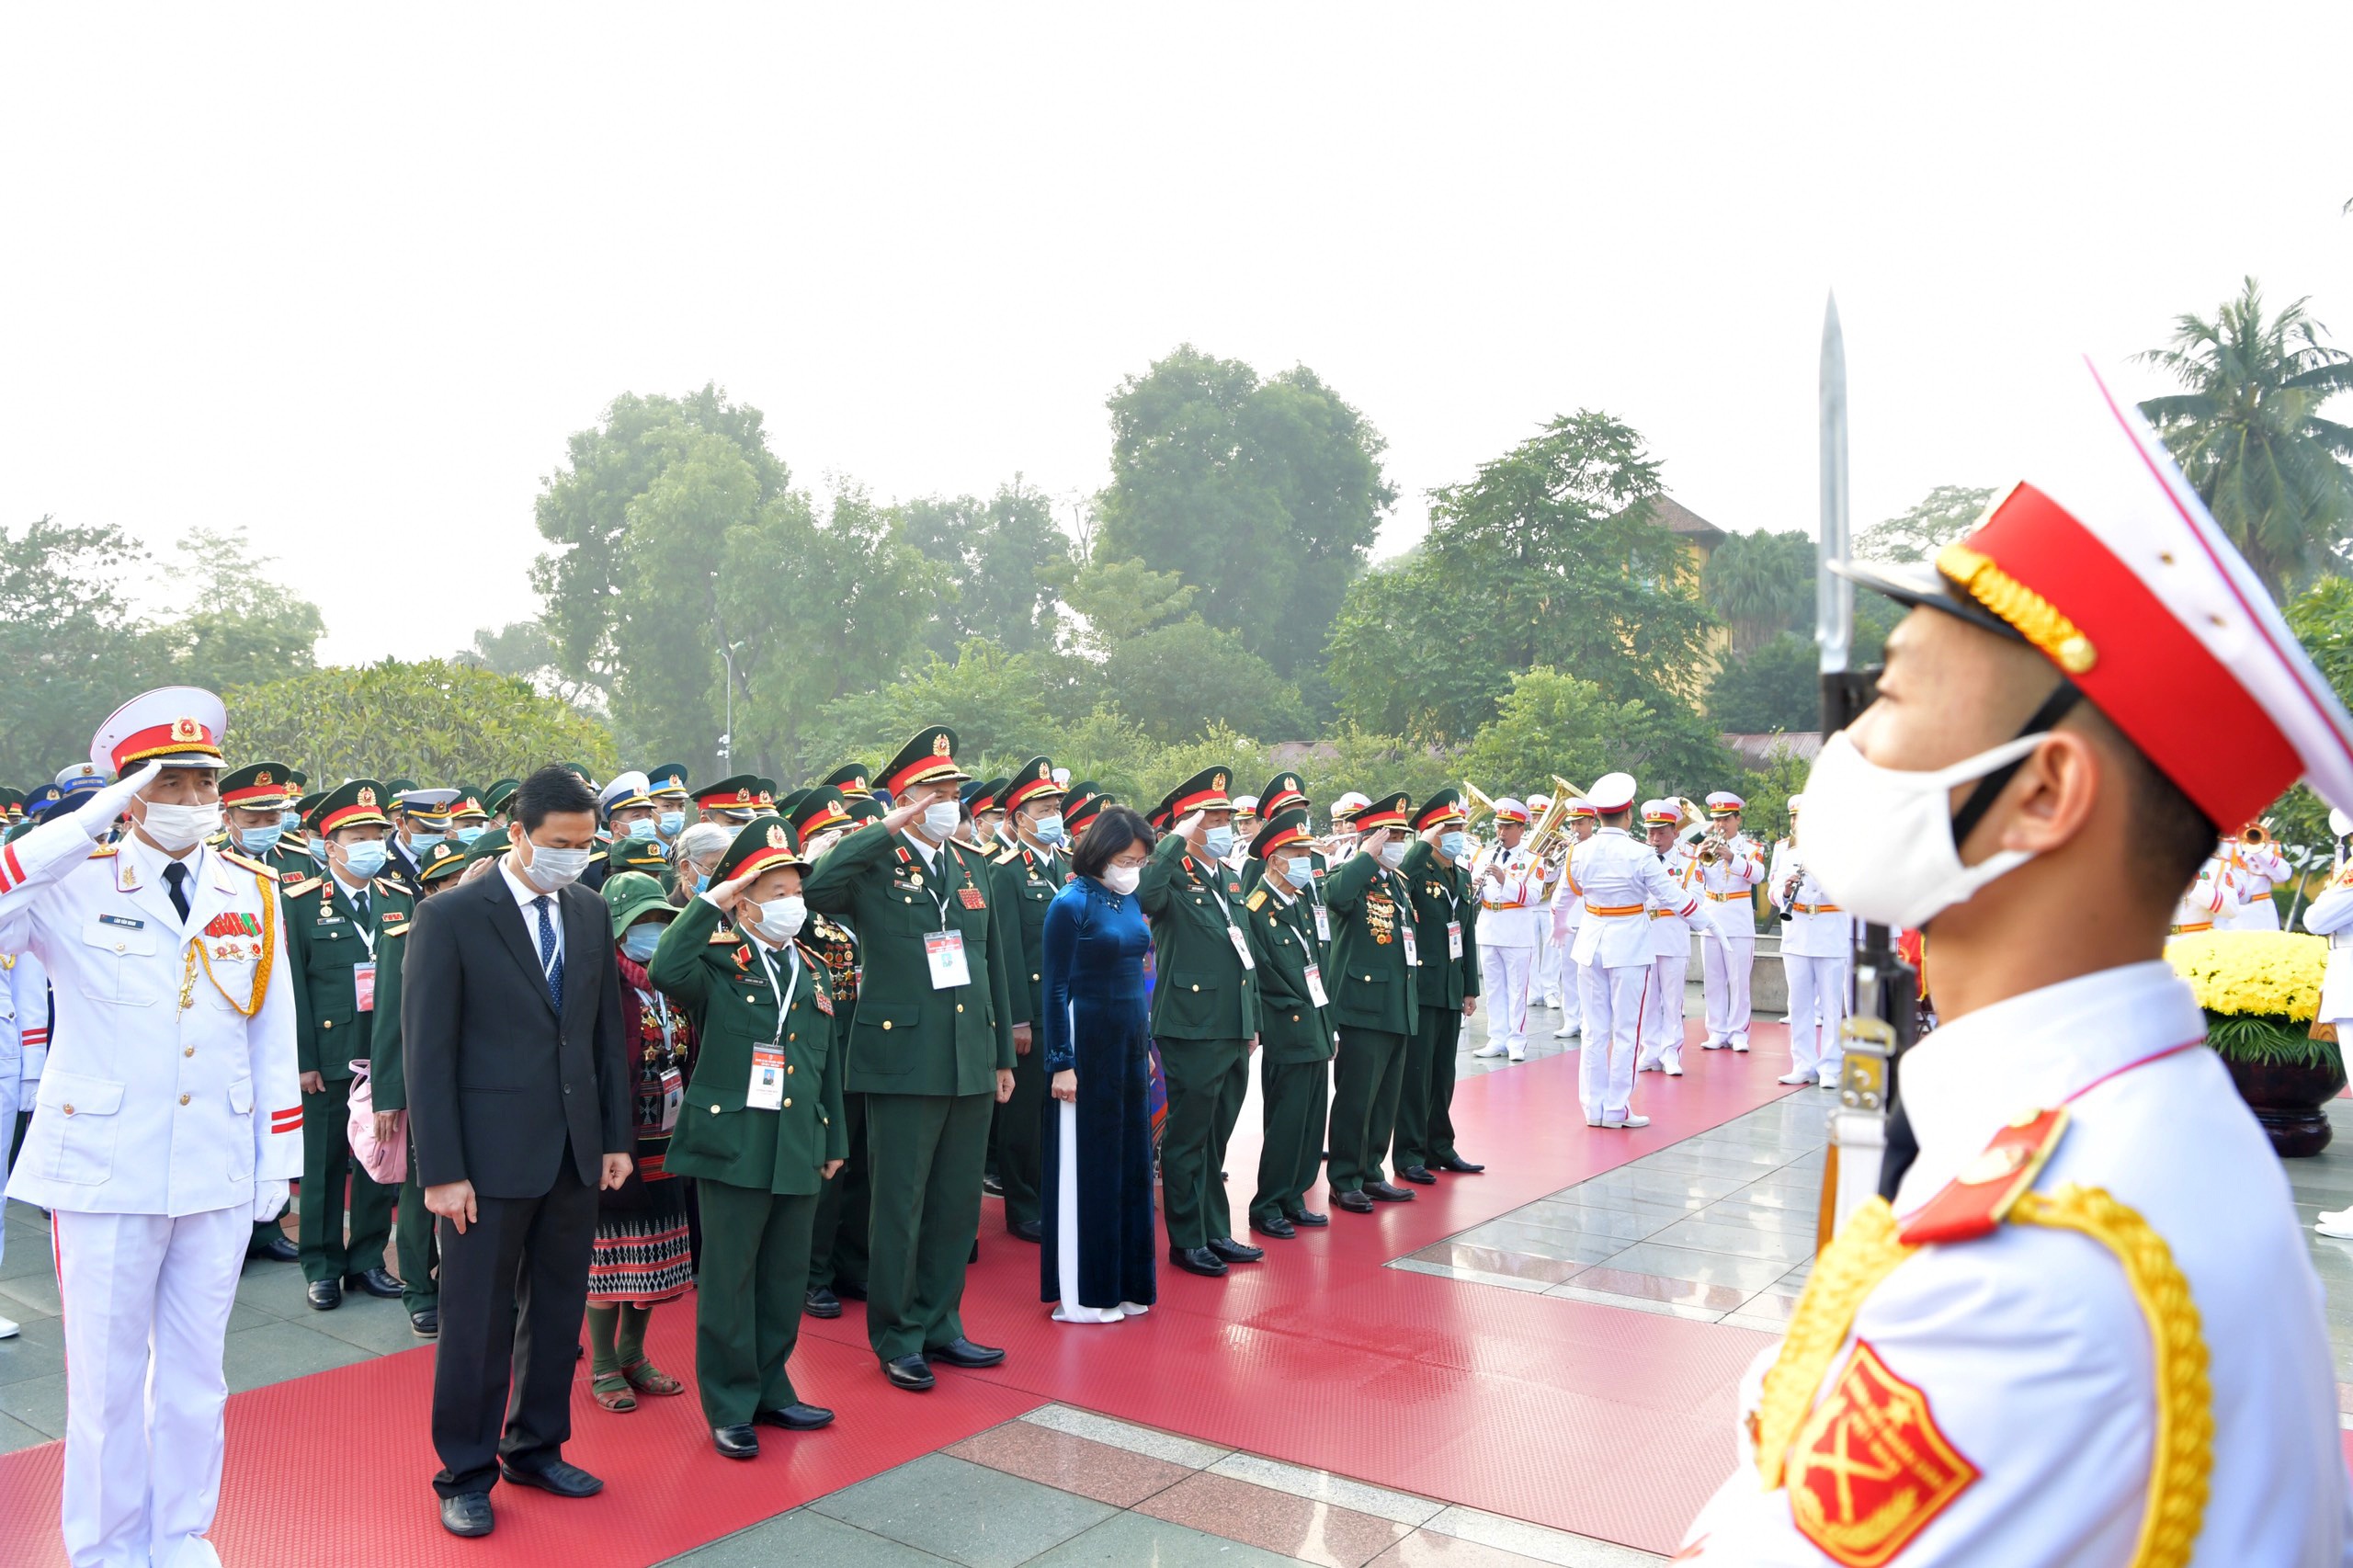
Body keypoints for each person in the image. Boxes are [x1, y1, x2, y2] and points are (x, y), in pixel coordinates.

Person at [1677, 364, 2352, 1562]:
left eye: (1884, 697)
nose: (1847, 750)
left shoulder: (2036, 1269)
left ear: (2041, 792)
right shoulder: (2109, 1135)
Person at [0, 687, 302, 1568]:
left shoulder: (249, 888)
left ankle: (179, 1536)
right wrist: (86, 817)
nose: (191, 801)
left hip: (213, 1162)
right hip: (103, 1169)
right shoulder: (72, 882)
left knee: (196, 1379)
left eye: (203, 782)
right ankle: (102, 1550)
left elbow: (268, 1027)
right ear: (128, 791)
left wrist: (274, 1157)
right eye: (167, 783)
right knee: (103, 1382)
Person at [404, 766, 633, 1539]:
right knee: (475, 1323)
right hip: (485, 1161)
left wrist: (612, 1141)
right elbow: (427, 1055)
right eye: (560, 844)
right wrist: (441, 1172)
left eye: (586, 843)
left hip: (572, 1153)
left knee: (559, 1308)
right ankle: (464, 1473)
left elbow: (606, 1036)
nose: (574, 856)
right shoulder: (454, 916)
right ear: (517, 834)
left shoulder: (591, 910)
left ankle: (535, 1445)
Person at [800, 726, 1015, 1392]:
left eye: (954, 790)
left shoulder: (973, 864)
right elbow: (816, 886)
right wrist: (884, 826)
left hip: (970, 1056)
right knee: (901, 1203)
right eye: (936, 791)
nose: (950, 801)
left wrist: (1002, 1051)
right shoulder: (873, 864)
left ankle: (941, 1321)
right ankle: (897, 1335)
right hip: (903, 1058)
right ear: (906, 798)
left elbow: (992, 964)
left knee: (955, 1204)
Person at [651, 818, 844, 1457]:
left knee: (784, 1274)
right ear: (747, 899)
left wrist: (834, 1140)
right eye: (778, 890)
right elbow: (663, 966)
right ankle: (729, 1403)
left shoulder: (811, 969)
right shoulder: (717, 962)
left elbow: (826, 1065)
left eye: (797, 889)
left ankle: (772, 1387)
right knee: (731, 1278)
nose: (793, 902)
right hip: (733, 1141)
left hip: (796, 1140)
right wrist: (713, 899)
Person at [281, 779, 406, 1309]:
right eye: (359, 835)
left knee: (379, 1161)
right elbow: (291, 989)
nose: (371, 843)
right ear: (330, 846)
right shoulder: (301, 904)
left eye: (377, 833)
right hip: (330, 1058)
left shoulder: (401, 898)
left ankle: (368, 1259)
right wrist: (304, 1061)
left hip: (385, 1053)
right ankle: (323, 1264)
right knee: (326, 1165)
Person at [1136, 767, 1263, 1278]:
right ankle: (1186, 1239)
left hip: (1231, 1026)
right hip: (1190, 1026)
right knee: (1188, 1139)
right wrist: (1173, 841)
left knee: (1217, 1137)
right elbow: (1143, 899)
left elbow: (1245, 951)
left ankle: (1215, 1230)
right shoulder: (1172, 870)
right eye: (1211, 817)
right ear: (1188, 822)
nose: (1224, 824)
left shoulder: (1228, 875)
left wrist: (1251, 1021)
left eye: (1227, 816)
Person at [580, 872, 698, 1414]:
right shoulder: (599, 985)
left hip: (667, 1137)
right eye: (640, 923)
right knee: (610, 1257)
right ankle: (604, 1364)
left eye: (659, 920)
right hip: (618, 1141)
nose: (651, 931)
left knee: (658, 1254)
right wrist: (608, 1138)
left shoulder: (669, 980)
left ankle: (634, 1354)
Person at [1038, 804, 1159, 1322]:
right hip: (1086, 1041)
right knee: (1092, 1165)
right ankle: (1087, 1292)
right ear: (1102, 853)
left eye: (1140, 860)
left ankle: (1128, 1282)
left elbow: (1138, 974)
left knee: (1131, 1165)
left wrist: (1146, 1048)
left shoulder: (1128, 900)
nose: (1133, 868)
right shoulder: (1070, 904)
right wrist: (1062, 1063)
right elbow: (1055, 985)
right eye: (1127, 858)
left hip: (1130, 1042)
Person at [366, 836, 474, 1338]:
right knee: (417, 1190)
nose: (460, 891)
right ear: (427, 889)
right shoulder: (402, 937)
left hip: (475, 1082)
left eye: (465, 881)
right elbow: (390, 1020)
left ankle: (459, 1285)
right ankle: (419, 1288)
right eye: (450, 883)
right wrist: (389, 1095)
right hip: (421, 1084)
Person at [1565, 774, 1696, 1130]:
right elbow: (1672, 896)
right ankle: (1616, 1108)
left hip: (1590, 944)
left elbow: (1563, 899)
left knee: (1594, 1032)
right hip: (1630, 947)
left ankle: (1593, 1108)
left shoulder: (1579, 851)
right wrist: (1706, 923)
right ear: (1628, 815)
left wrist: (1560, 928)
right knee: (1626, 1032)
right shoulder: (1640, 853)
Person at [791, 787, 871, 1320]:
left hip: (871, 1041)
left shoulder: (864, 905)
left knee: (864, 1162)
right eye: (835, 840)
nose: (847, 848)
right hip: (826, 1045)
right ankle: (812, 1274)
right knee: (829, 1167)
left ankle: (852, 1263)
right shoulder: (798, 912)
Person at [1323, 791, 1420, 1210]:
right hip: (1362, 1006)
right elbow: (1337, 897)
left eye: (1402, 834)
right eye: (1391, 835)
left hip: (1396, 1003)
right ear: (1373, 838)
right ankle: (1344, 1179)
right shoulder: (1351, 874)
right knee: (1356, 1098)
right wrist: (1364, 855)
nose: (1399, 842)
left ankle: (1371, 1171)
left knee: (1385, 1097)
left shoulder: (1397, 883)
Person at [1242, 808, 1336, 1239]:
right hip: (1288, 1025)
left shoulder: (1298, 903)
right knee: (1286, 1119)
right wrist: (1299, 1003)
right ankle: (1269, 1203)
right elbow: (1262, 972)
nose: (1305, 861)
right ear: (1275, 859)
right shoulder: (1258, 908)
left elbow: (1318, 962)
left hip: (1315, 1023)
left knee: (1311, 1120)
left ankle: (1295, 1194)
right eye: (1297, 853)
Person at [987, 756, 1067, 1244]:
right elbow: (1007, 952)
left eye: (1057, 804)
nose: (1054, 813)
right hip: (1033, 1012)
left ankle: (1054, 1194)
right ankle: (1023, 1205)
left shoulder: (1067, 866)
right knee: (1026, 1118)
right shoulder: (1006, 872)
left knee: (1061, 1111)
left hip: (1070, 1010)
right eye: (1044, 806)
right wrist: (1017, 1019)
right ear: (1019, 819)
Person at [1392, 791, 1482, 1183]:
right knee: (1416, 1073)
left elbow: (1468, 933)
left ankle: (1439, 1146)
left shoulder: (1459, 876)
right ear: (1430, 834)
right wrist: (1423, 843)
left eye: (1461, 828)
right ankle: (1409, 1153)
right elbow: (1404, 872)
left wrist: (1469, 985)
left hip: (1448, 986)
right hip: (1421, 985)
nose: (1459, 835)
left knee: (1444, 1071)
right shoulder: (1415, 871)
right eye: (1450, 829)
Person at [1769, 796, 1850, 1088]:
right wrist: (1784, 890)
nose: (1796, 824)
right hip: (1797, 930)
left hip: (1830, 930)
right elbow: (1774, 887)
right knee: (1799, 1003)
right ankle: (1803, 1063)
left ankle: (1830, 1066)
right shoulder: (1789, 851)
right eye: (1794, 819)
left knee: (1831, 1004)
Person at [1472, 796, 1548, 1062]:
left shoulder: (1533, 860)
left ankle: (1516, 1040)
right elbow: (1474, 892)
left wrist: (1505, 880)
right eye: (1498, 827)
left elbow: (1534, 897)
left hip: (1516, 929)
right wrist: (1474, 887)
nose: (1501, 833)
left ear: (1521, 829)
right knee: (1494, 987)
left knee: (1517, 990)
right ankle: (1497, 1037)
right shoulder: (1483, 856)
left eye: (1507, 827)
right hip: (1490, 925)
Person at [1695, 791, 1766, 1052]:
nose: (1720, 825)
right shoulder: (1704, 845)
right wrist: (1699, 861)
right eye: (1717, 820)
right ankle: (1716, 1030)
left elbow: (1758, 875)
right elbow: (1697, 883)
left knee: (1739, 981)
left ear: (1738, 819)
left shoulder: (1751, 848)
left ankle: (1739, 1033)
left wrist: (1731, 857)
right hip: (1712, 914)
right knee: (1713, 979)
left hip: (1738, 919)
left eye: (1726, 819)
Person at [1637, 800, 1700, 1078]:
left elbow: (1696, 902)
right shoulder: (1639, 861)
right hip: (1645, 937)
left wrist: (1666, 896)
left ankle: (1671, 1052)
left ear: (1675, 832)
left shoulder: (1688, 865)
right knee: (1648, 999)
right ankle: (1650, 1051)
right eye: (1650, 833)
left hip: (1674, 936)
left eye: (1661, 833)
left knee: (1672, 1002)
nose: (1654, 839)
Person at [1548, 797, 1597, 1038]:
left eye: (1580, 823)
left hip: (1588, 916)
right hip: (1565, 918)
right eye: (1573, 824)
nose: (1576, 829)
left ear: (1592, 822)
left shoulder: (1597, 848)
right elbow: (1548, 879)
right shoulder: (1569, 848)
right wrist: (1555, 859)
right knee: (1567, 972)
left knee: (1588, 974)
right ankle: (1571, 1019)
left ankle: (1588, 1019)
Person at [597, 771, 668, 890]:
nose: (646, 822)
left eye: (649, 816)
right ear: (615, 826)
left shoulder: (661, 863)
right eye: (637, 816)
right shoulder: (595, 867)